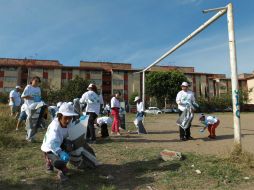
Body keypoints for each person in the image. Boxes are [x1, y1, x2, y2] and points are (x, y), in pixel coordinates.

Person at [41, 102, 78, 181]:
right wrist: (61, 153)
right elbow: (52, 143)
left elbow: (69, 134)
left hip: (59, 142)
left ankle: (59, 166)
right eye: (66, 118)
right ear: (60, 116)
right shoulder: (55, 127)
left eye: (70, 118)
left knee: (69, 146)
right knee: (57, 160)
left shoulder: (69, 123)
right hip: (49, 147)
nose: (68, 120)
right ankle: (53, 165)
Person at [21, 76, 42, 142]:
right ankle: (29, 137)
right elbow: (23, 96)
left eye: (38, 81)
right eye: (35, 81)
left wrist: (39, 101)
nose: (36, 82)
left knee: (34, 122)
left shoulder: (38, 88)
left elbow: (39, 97)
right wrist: (33, 98)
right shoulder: (28, 87)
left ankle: (31, 137)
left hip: (36, 106)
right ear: (32, 81)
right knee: (30, 121)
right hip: (29, 106)